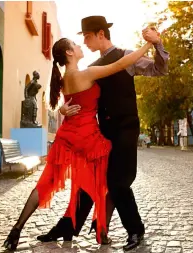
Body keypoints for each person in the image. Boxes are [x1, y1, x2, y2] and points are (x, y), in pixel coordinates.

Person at [3, 37, 153, 251]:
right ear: (69, 53)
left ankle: (16, 229)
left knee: (45, 184)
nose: (80, 45)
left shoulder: (63, 79)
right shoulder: (87, 74)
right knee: (108, 181)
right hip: (89, 140)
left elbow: (67, 104)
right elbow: (120, 64)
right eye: (75, 44)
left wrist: (62, 110)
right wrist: (148, 45)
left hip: (66, 137)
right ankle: (102, 231)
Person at [39, 16, 169, 251]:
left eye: (87, 36)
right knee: (92, 181)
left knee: (119, 181)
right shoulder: (92, 68)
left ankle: (135, 230)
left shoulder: (126, 56)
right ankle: (68, 226)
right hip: (103, 130)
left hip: (127, 126)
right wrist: (63, 109)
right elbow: (76, 98)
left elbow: (160, 69)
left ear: (101, 34)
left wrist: (157, 44)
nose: (85, 42)